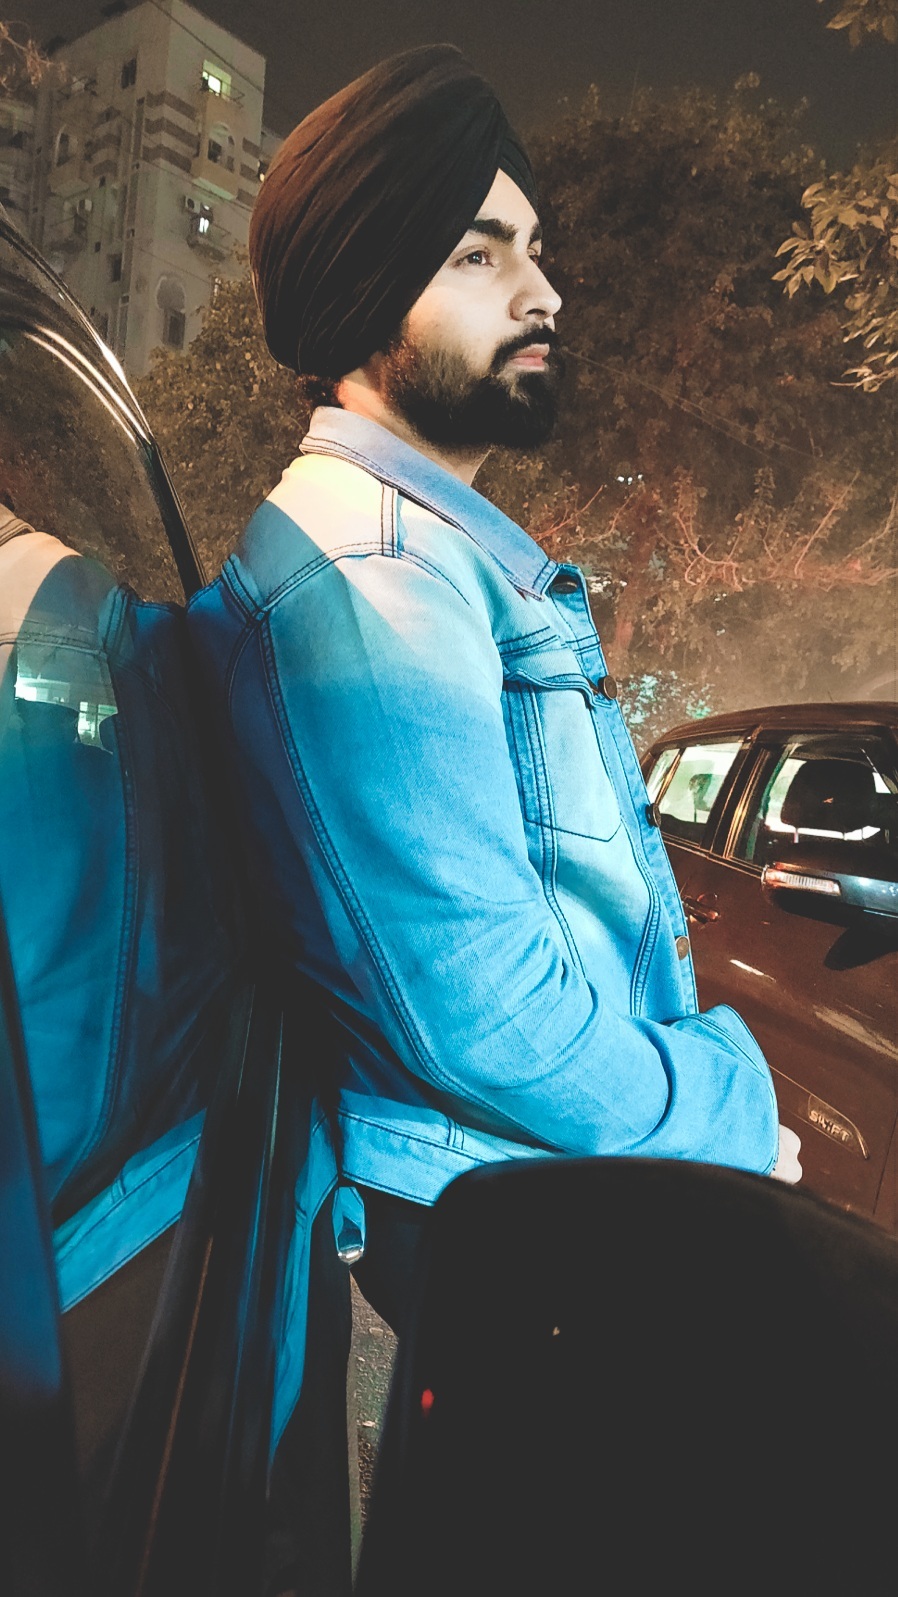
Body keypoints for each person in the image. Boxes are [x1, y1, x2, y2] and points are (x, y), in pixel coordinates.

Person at [188, 42, 801, 1590]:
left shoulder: (425, 556)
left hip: (530, 1224)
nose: (545, 290)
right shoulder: (369, 579)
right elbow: (479, 1012)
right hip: (502, 1257)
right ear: (360, 290)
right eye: (479, 254)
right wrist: (729, 1110)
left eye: (532, 246)